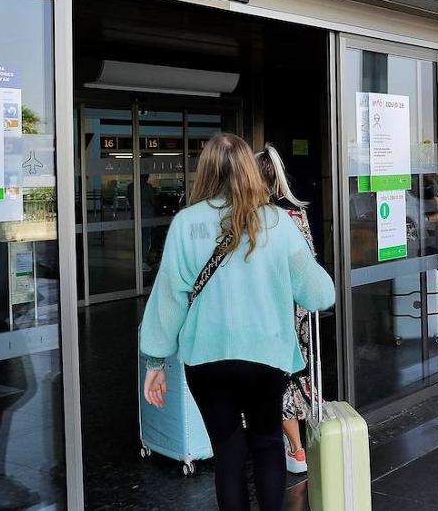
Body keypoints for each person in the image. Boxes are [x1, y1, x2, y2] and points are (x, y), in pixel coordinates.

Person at [140, 134, 335, 510]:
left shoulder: (186, 223)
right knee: (267, 443)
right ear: (249, 169)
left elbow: (168, 299)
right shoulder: (277, 222)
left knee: (227, 453)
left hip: (205, 361)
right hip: (266, 358)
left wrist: (154, 364)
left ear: (206, 171)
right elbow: (320, 295)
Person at [255, 143, 318, 476]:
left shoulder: (257, 218)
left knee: (275, 378)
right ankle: (296, 446)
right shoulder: (296, 214)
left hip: (271, 310)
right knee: (291, 374)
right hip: (297, 309)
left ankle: (294, 450)